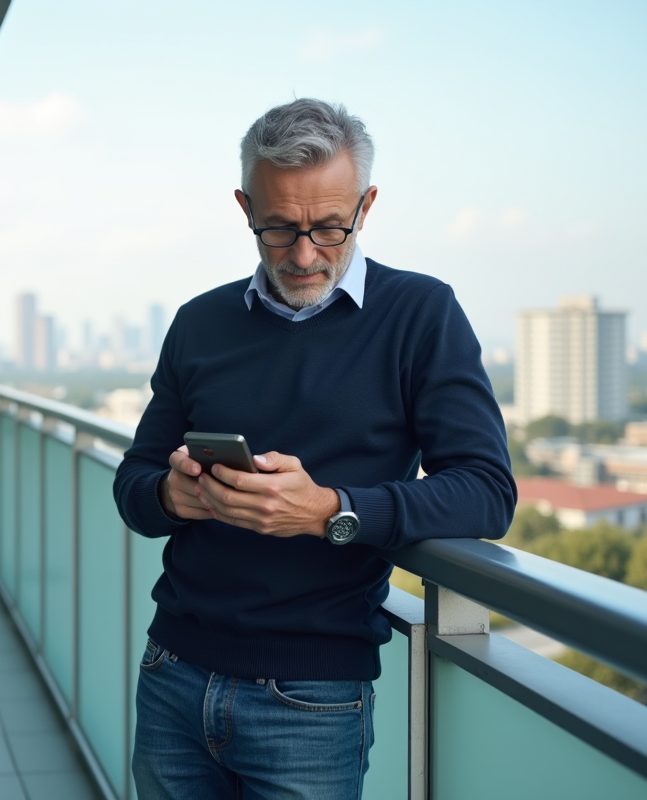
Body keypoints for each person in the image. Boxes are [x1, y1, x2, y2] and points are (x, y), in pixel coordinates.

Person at [113, 98, 517, 800]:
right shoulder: (199, 322)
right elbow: (134, 485)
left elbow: (487, 491)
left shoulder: (422, 315)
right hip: (172, 670)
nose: (304, 256)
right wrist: (168, 494)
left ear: (367, 204)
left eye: (331, 228)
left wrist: (332, 510)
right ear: (245, 207)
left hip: (313, 697)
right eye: (278, 228)